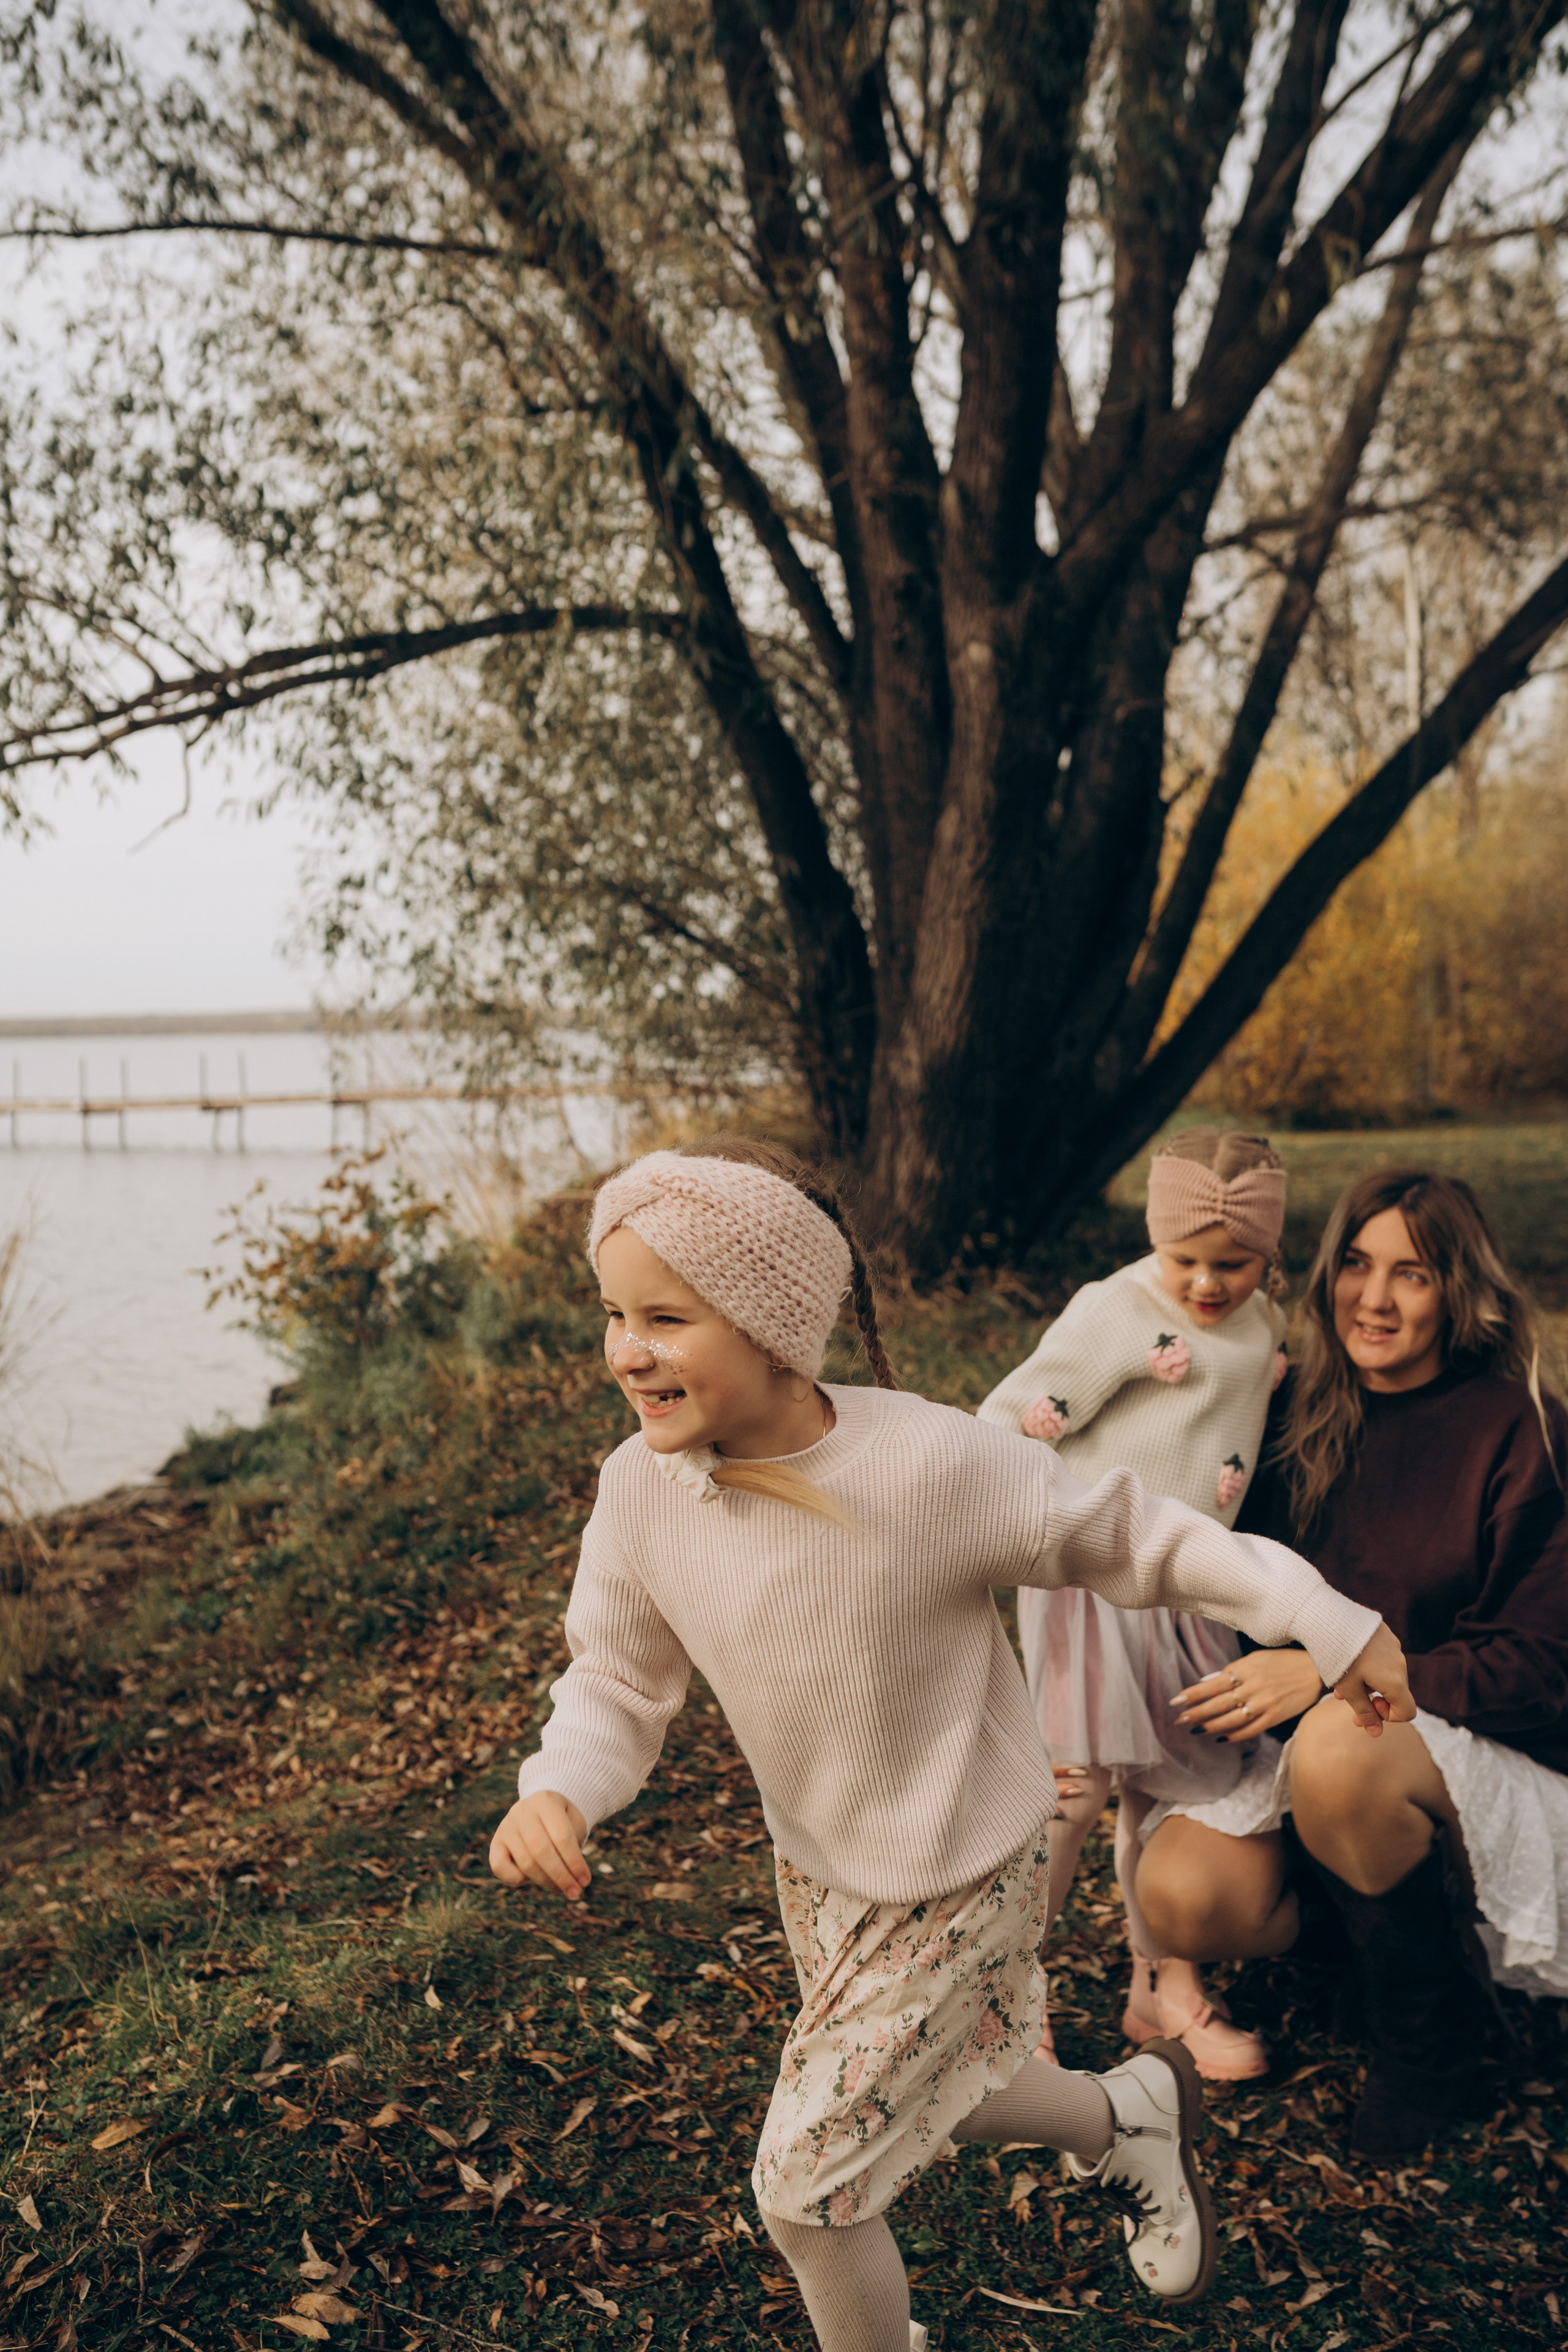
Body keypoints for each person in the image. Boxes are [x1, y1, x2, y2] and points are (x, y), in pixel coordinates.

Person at [488, 1140, 1411, 2351]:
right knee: (963, 2073)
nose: (625, 1349)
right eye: (613, 1314)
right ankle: (1121, 2118)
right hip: (822, 1872)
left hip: (967, 1864)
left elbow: (1145, 1537)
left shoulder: (924, 1465)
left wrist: (1326, 1621)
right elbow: (615, 1678)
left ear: (770, 1325)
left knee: (806, 2194)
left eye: (665, 1316)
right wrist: (559, 1783)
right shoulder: (641, 1492)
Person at [1133, 1169, 1568, 2162]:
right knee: (1183, 1893)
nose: (1374, 1299)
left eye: (1411, 1275)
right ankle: (1370, 1927)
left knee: (1345, 1739)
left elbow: (1542, 1671)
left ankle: (1433, 2041)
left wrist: (1332, 1677)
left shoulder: (1521, 1428)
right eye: (1358, 1266)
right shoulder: (1294, 1419)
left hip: (1483, 1751)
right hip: (1318, 1752)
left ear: (1461, 1291)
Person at [978, 1129, 1291, 2081]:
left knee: (1171, 1781)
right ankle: (1000, 2006)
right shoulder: (1115, 1309)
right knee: (1069, 1794)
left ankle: (1161, 1985)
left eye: (1232, 1264)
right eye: (1185, 1260)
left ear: (1268, 1254)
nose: (1205, 1284)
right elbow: (1012, 1417)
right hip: (1094, 1582)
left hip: (1188, 1587)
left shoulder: (1266, 1325)